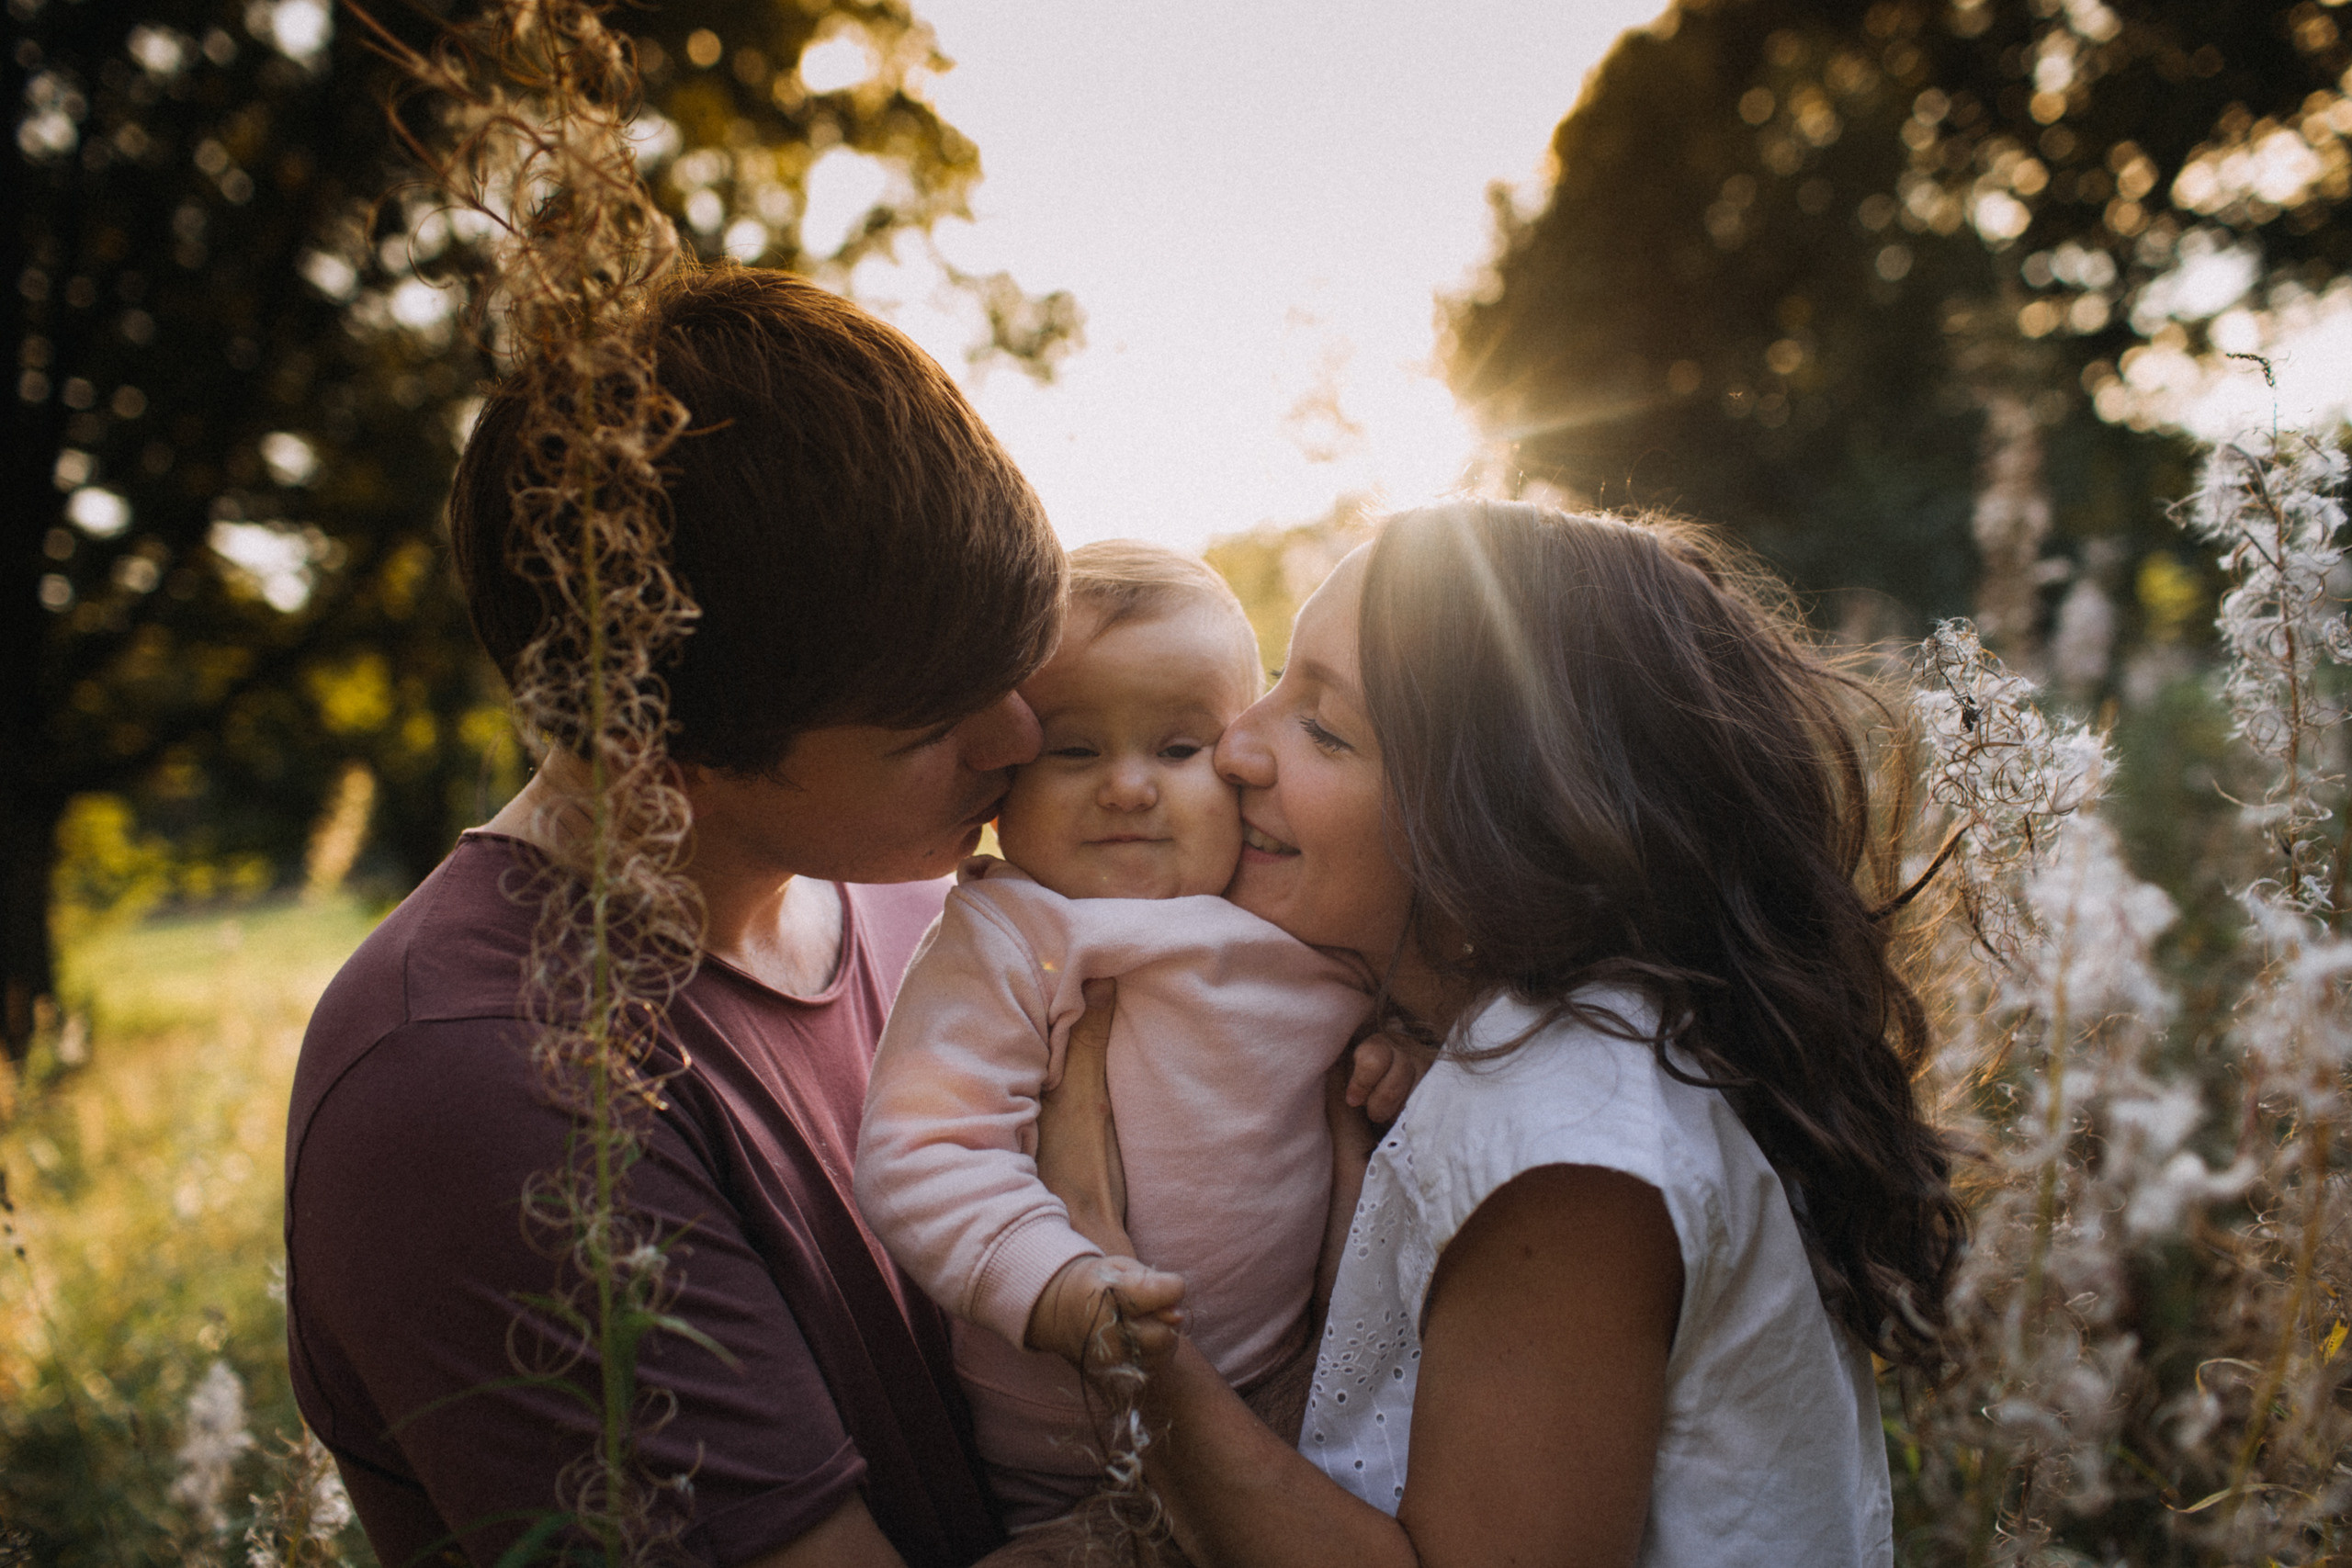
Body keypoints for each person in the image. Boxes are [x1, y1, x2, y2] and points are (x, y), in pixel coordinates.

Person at [282, 265, 1067, 1568]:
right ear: (655, 751)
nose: (1023, 737)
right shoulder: (479, 1083)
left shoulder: (912, 898)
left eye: (1014, 665)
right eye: (932, 724)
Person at [1039, 502, 1963, 1567]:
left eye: (1324, 729)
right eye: (1279, 683)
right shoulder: (1531, 1052)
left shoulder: (1566, 1139)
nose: (1235, 745)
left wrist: (1111, 1301)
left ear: (1496, 824)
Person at [853, 541, 1389, 1529]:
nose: (1129, 788)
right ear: (1004, 783)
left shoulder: (1289, 916)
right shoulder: (1012, 932)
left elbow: (1375, 1020)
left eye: (1179, 749)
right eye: (1074, 751)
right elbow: (922, 1150)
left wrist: (1399, 1053)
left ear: (1239, 761)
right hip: (1063, 1434)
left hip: (1286, 1399)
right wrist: (1056, 1283)